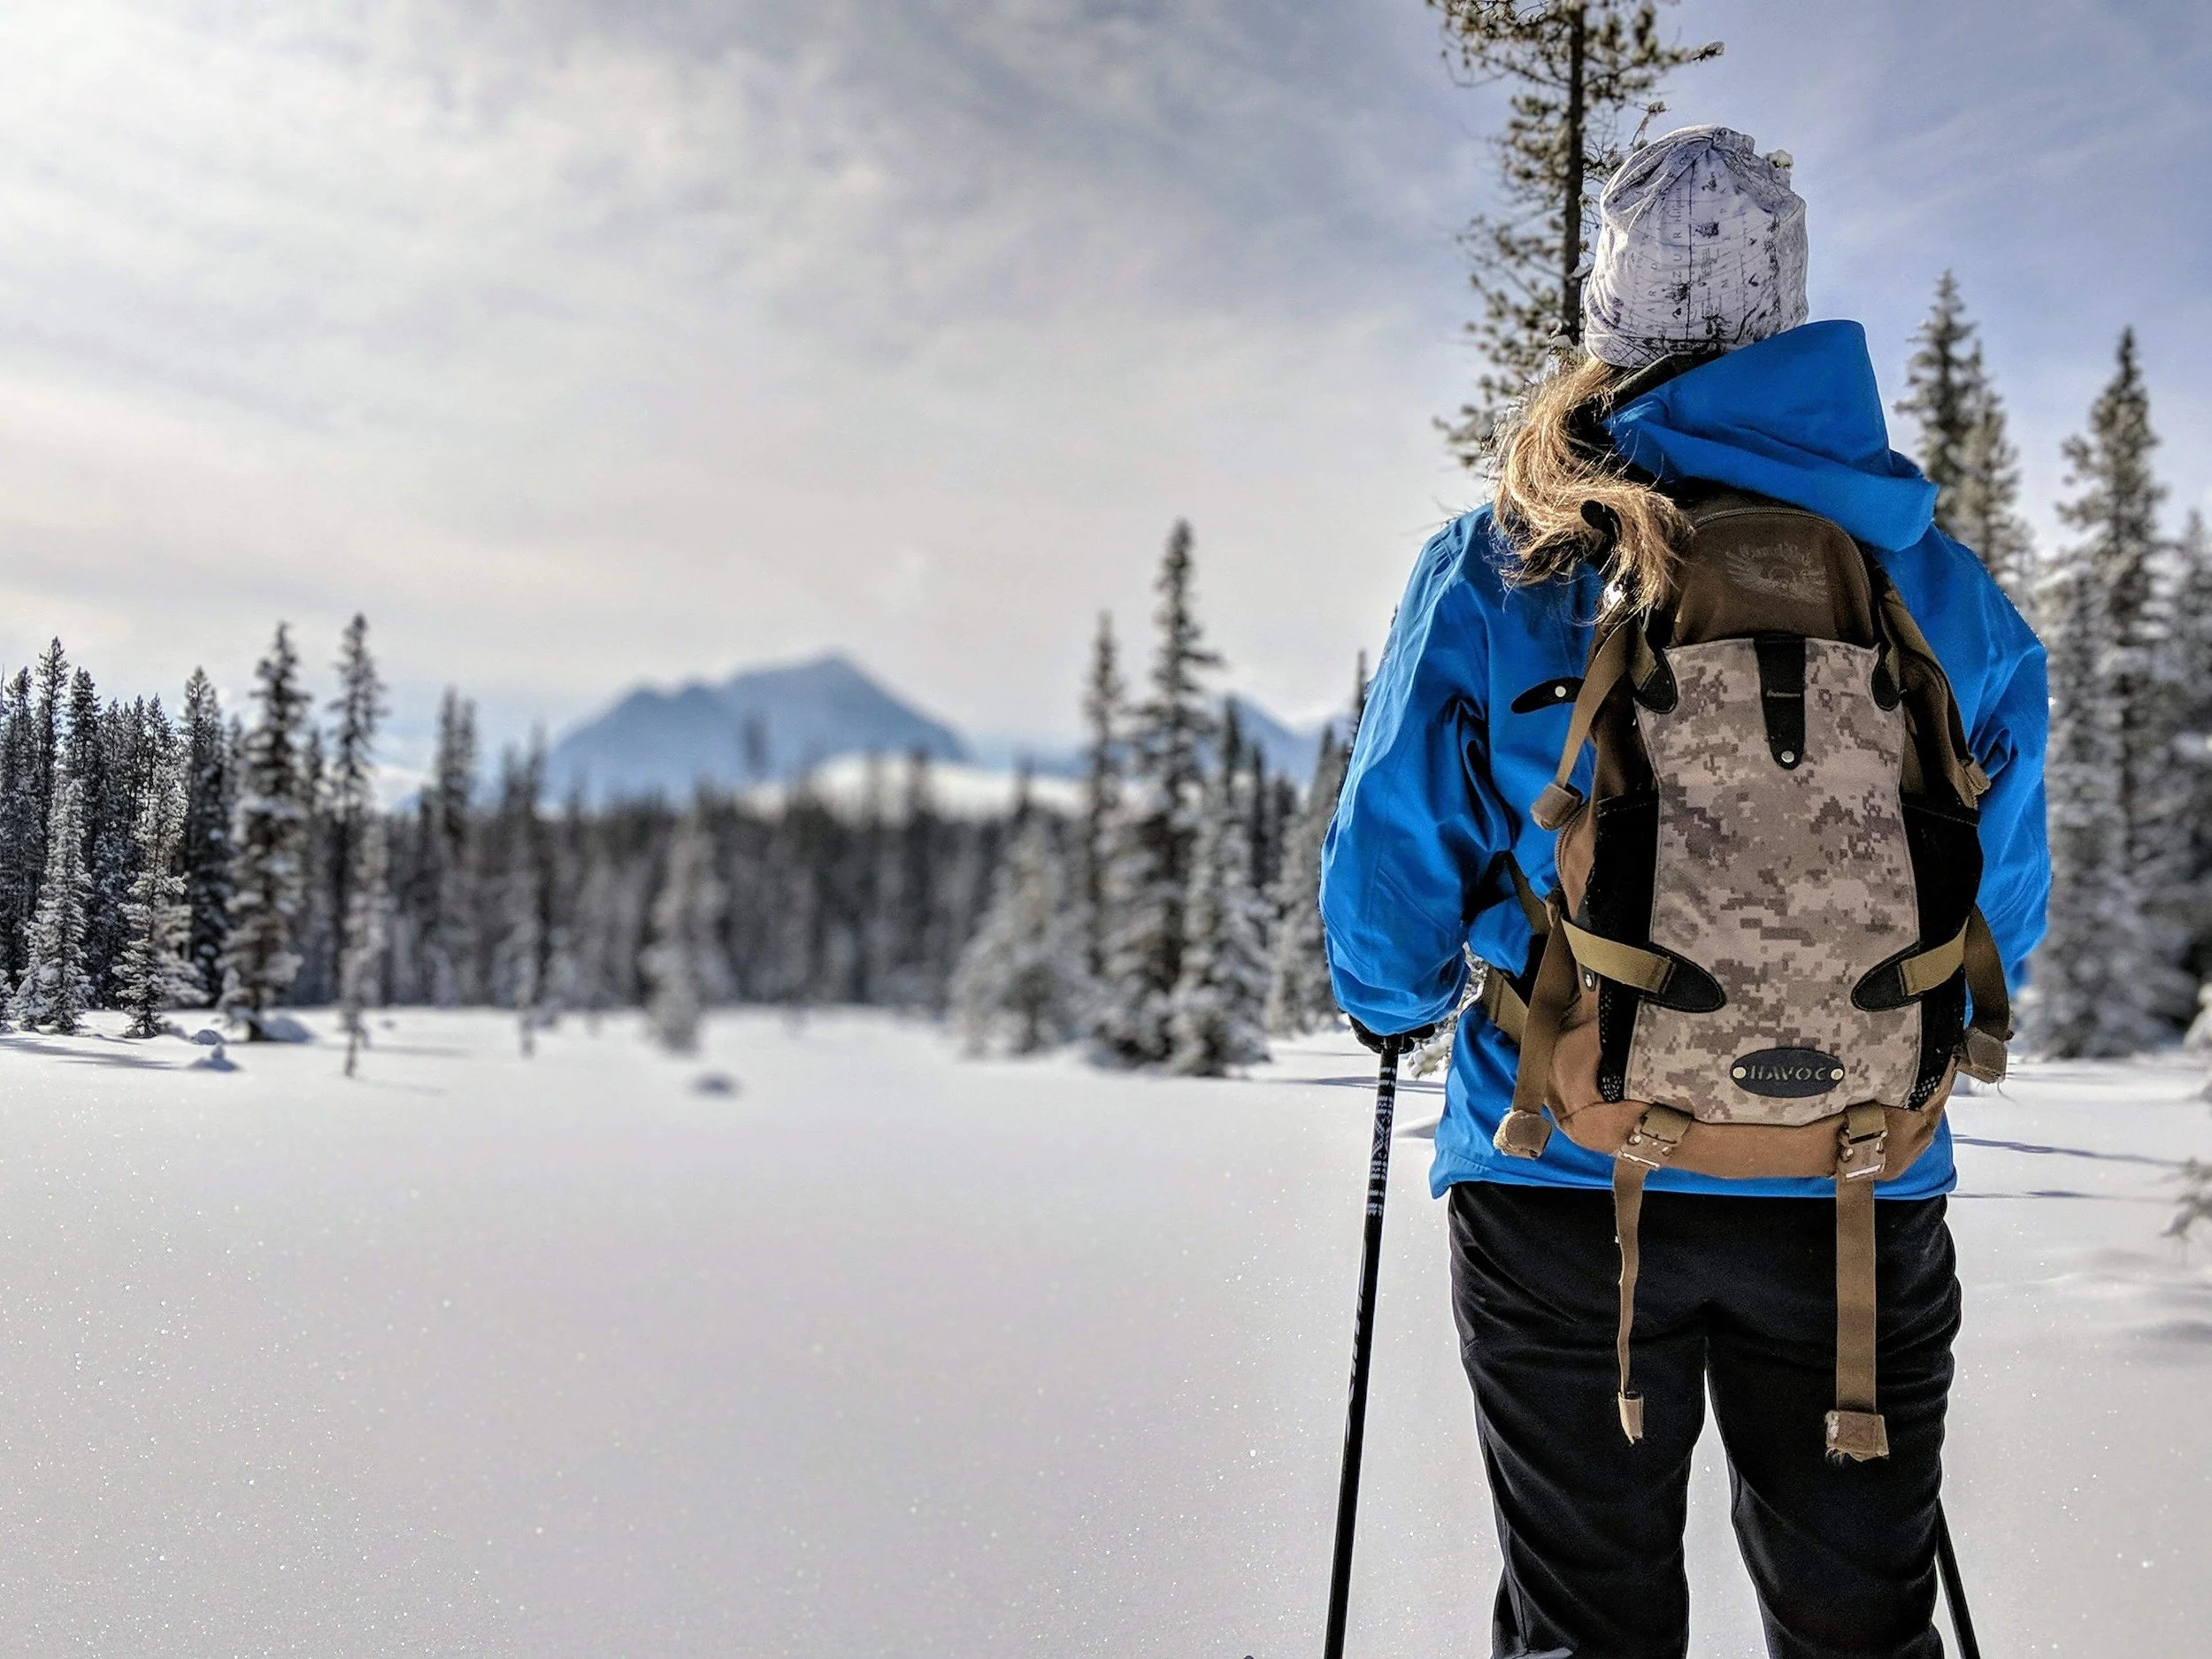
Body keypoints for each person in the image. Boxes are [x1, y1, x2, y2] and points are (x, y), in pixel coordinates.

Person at [1319, 126, 2047, 1659]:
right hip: (1854, 1180)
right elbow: (2005, 910)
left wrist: (1393, 1007)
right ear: (1786, 314)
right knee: (1859, 1628)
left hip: (1559, 1170)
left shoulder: (1506, 558)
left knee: (1591, 1629)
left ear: (1610, 321)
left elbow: (1393, 862)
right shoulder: (1938, 587)